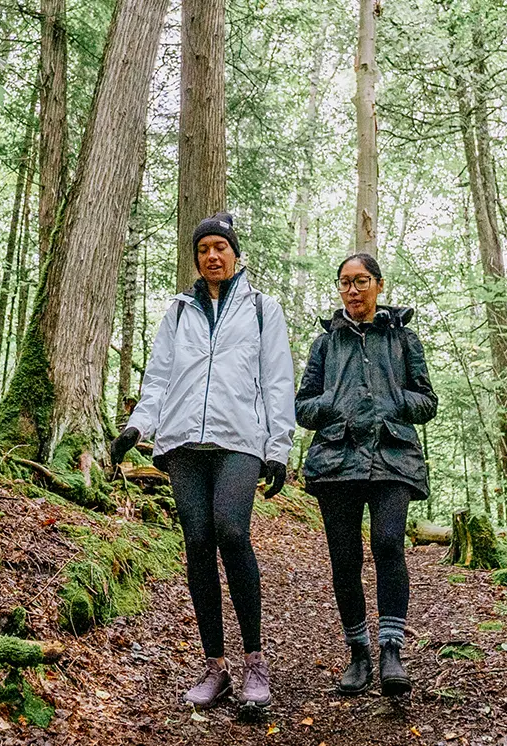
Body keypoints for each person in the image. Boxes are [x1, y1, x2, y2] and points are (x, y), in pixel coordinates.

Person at [109, 212, 296, 713]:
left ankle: (255, 660)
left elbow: (277, 381)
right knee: (196, 543)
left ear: (236, 254)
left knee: (231, 532)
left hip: (240, 441)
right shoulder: (177, 311)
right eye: (204, 249)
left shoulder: (262, 309)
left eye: (221, 247)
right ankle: (215, 666)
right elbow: (159, 377)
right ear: (196, 257)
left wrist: (279, 447)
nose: (212, 255)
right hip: (183, 442)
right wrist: (137, 427)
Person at [294, 252, 434, 697]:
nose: (352, 290)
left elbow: (427, 402)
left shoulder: (404, 340)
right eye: (344, 283)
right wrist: (334, 405)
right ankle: (358, 653)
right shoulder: (325, 344)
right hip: (337, 461)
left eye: (361, 281)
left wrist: (394, 401)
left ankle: (391, 650)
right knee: (345, 558)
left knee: (389, 543)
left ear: (378, 284)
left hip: (392, 456)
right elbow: (302, 408)